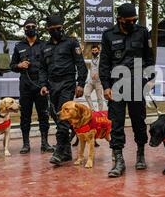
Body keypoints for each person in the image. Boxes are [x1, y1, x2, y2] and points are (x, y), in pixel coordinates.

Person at [99, 3, 155, 178]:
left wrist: (148, 79)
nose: (133, 23)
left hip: (138, 83)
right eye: (129, 20)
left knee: (139, 120)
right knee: (116, 122)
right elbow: (105, 63)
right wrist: (106, 86)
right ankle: (119, 160)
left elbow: (148, 58)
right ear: (120, 19)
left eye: (135, 20)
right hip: (116, 85)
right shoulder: (108, 35)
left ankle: (140, 154)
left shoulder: (142, 32)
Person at [39, 15, 88, 166]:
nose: (56, 32)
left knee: (64, 118)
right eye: (53, 30)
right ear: (48, 30)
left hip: (67, 84)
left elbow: (81, 65)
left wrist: (80, 84)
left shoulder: (71, 43)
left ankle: (59, 151)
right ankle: (67, 152)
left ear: (62, 28)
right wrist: (43, 84)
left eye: (59, 29)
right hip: (52, 86)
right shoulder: (45, 46)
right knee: (56, 116)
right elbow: (42, 68)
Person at [10, 18, 54, 154]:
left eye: (32, 26)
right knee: (25, 115)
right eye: (27, 27)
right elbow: (11, 66)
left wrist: (46, 83)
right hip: (25, 85)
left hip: (41, 84)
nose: (30, 29)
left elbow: (49, 65)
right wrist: (19, 65)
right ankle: (25, 144)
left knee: (43, 114)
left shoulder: (44, 45)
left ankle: (45, 143)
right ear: (24, 29)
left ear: (37, 28)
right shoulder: (19, 46)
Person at [84, 45, 104, 111]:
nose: (94, 52)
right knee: (86, 94)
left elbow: (103, 68)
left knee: (99, 98)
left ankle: (100, 112)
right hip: (91, 81)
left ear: (98, 50)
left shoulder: (101, 58)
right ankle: (92, 110)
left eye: (95, 50)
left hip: (99, 81)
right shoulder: (92, 58)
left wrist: (98, 74)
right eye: (93, 50)